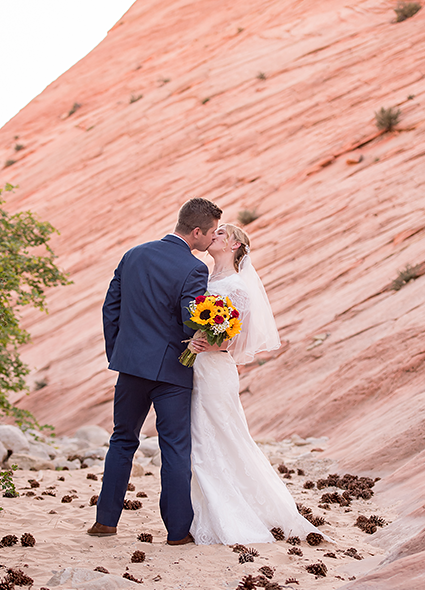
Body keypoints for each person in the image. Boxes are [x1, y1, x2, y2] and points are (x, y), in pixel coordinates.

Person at [87, 197, 221, 544]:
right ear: (195, 232)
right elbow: (192, 318)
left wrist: (119, 353)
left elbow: (110, 309)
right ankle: (177, 532)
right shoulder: (194, 269)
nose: (210, 242)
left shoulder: (133, 255)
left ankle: (106, 522)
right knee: (175, 447)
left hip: (130, 366)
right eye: (210, 234)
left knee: (121, 440)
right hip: (171, 371)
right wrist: (207, 330)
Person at [189, 224, 332, 545]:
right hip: (196, 368)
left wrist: (207, 344)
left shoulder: (237, 286)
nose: (215, 236)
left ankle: (232, 517)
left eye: (222, 234)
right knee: (197, 437)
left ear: (236, 245)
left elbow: (232, 338)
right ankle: (199, 512)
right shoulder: (205, 279)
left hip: (214, 370)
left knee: (216, 437)